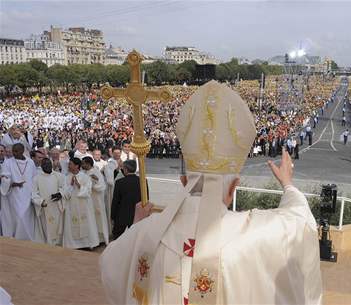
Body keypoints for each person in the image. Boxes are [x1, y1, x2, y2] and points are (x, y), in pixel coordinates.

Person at [100, 80, 322, 305]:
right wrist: (288, 185)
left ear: (184, 181)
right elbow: (299, 223)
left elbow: (110, 263)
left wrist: (138, 225)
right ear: (233, 188)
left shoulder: (145, 234)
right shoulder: (255, 236)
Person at [61, 157, 99, 249]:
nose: (68, 166)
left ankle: (88, 243)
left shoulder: (85, 177)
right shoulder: (66, 177)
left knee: (86, 221)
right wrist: (70, 186)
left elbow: (88, 191)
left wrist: (79, 186)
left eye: (70, 164)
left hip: (84, 205)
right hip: (71, 204)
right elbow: (64, 192)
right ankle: (73, 244)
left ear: (76, 166)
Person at [0, 143, 37, 240]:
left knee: (26, 216)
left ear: (22, 151)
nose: (14, 153)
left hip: (27, 194)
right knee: (19, 216)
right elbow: (4, 178)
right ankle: (16, 238)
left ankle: (27, 239)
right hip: (14, 194)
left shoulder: (30, 162)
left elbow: (34, 178)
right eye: (13, 151)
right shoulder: (7, 163)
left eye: (16, 151)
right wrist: (13, 183)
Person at [31, 158, 64, 246]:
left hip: (56, 205)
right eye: (45, 164)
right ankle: (49, 244)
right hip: (45, 207)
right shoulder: (36, 178)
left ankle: (58, 242)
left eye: (49, 164)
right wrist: (40, 202)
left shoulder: (58, 176)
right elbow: (34, 194)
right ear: (41, 166)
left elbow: (64, 188)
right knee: (47, 226)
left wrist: (60, 194)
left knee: (58, 225)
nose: (48, 166)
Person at [110, 160, 142, 240]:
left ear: (126, 169)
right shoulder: (142, 181)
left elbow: (115, 201)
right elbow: (145, 198)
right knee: (135, 238)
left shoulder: (120, 182)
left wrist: (112, 216)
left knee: (117, 237)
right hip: (137, 214)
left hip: (121, 215)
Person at [82, 156, 109, 245]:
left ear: (88, 164)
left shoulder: (96, 172)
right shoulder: (84, 172)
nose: (82, 165)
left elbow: (102, 186)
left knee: (99, 219)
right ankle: (93, 239)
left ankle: (102, 239)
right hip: (88, 201)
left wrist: (93, 184)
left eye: (83, 163)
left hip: (96, 200)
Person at [104, 146, 123, 228]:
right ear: (112, 153)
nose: (117, 155)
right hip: (113, 190)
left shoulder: (123, 162)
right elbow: (110, 180)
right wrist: (117, 169)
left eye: (119, 153)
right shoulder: (109, 163)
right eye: (115, 153)